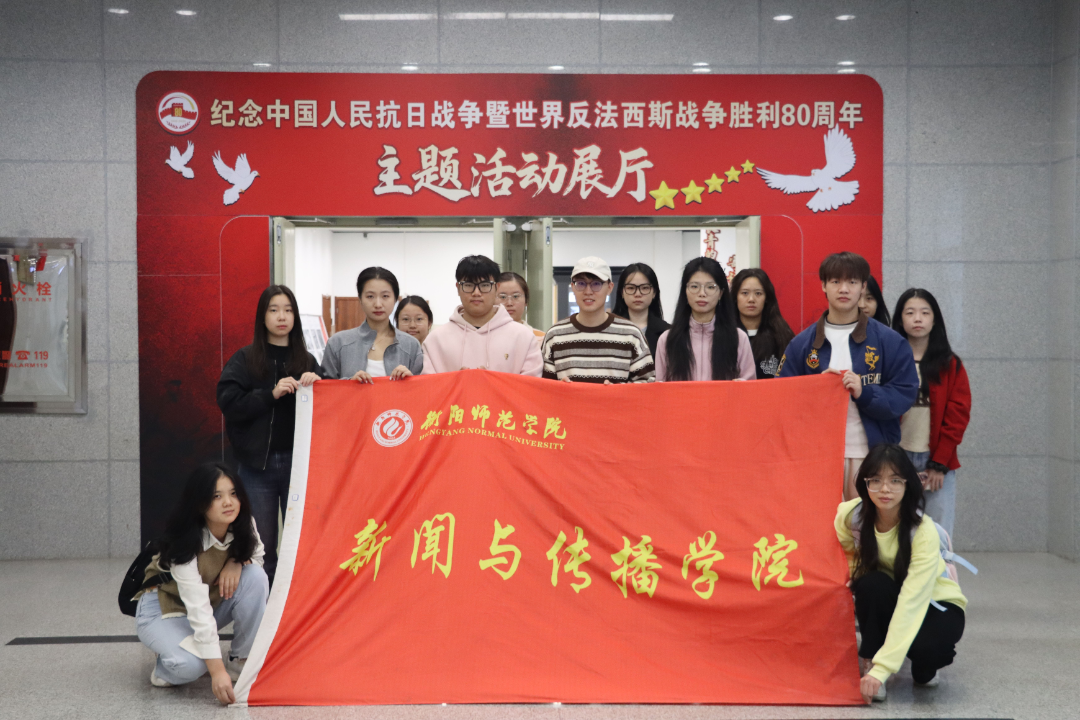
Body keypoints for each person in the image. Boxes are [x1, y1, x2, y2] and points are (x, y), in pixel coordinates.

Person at [779, 252, 918, 500]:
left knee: (865, 522)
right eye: (835, 282)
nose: (843, 289)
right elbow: (782, 398)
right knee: (823, 522)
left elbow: (904, 393)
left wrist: (865, 392)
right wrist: (815, 389)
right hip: (817, 455)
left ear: (863, 287)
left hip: (872, 454)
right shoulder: (801, 345)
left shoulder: (890, 341)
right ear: (823, 285)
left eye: (852, 282)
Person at [835, 444, 966, 703]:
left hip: (935, 602)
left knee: (927, 650)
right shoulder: (851, 515)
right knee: (869, 584)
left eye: (895, 480)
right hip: (889, 590)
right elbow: (846, 555)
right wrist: (853, 577)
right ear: (865, 483)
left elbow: (912, 602)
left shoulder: (922, 531)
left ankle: (923, 665)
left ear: (908, 484)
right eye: (876, 480)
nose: (885, 489)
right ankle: (872, 657)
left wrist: (884, 670)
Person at [134, 463, 269, 705]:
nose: (228, 502)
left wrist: (236, 562)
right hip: (162, 609)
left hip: (207, 602)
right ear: (199, 503)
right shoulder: (183, 542)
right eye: (217, 496)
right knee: (191, 666)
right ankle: (165, 667)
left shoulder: (243, 523)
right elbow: (198, 609)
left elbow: (257, 558)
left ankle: (240, 660)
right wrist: (216, 672)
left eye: (233, 493)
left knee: (255, 577)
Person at [217, 285, 321, 586]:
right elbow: (228, 402)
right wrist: (270, 395)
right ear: (262, 317)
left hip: (299, 466)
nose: (281, 317)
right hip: (256, 467)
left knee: (301, 541)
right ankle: (263, 604)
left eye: (288, 310)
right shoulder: (245, 358)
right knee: (260, 545)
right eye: (274, 310)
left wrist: (319, 384)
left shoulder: (307, 360)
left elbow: (330, 409)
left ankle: (296, 603)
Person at [892, 289, 971, 537]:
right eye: (910, 312)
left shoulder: (950, 364)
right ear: (900, 319)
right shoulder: (890, 362)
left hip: (937, 460)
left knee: (938, 535)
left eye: (925, 313)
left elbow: (958, 416)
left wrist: (939, 463)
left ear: (935, 320)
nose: (918, 319)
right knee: (899, 533)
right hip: (898, 457)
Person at [422, 255, 543, 375]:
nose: (476, 293)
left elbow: (531, 384)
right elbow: (428, 385)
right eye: (468, 285)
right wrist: (457, 382)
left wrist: (490, 382)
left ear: (496, 287)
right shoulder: (436, 339)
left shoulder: (523, 337)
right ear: (458, 288)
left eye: (485, 285)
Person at [542, 256, 654, 383]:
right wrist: (558, 389)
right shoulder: (554, 336)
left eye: (596, 284)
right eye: (581, 284)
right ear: (572, 287)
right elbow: (542, 388)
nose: (588, 291)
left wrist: (619, 391)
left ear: (610, 288)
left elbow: (648, 384)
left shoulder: (631, 335)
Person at [655, 257, 756, 382]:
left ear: (720, 293)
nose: (702, 293)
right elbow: (660, 388)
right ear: (685, 291)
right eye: (694, 286)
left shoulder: (739, 338)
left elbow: (750, 386)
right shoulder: (667, 340)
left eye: (710, 287)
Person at [322, 267, 424, 383]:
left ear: (395, 299)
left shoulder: (411, 345)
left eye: (385, 296)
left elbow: (422, 389)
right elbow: (325, 388)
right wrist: (349, 384)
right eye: (370, 296)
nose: (378, 304)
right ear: (360, 299)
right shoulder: (337, 343)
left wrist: (411, 381)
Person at [732, 268, 795, 379]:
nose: (751, 299)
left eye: (758, 293)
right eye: (745, 293)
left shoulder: (782, 335)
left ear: (766, 298)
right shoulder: (724, 335)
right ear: (735, 297)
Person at [612, 262, 669, 358]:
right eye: (631, 288)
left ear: (654, 293)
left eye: (645, 288)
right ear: (622, 292)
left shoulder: (667, 332)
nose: (638, 294)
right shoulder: (610, 329)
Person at [497, 271, 546, 343]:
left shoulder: (542, 339)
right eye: (503, 297)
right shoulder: (484, 337)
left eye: (515, 296)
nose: (509, 303)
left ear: (526, 300)